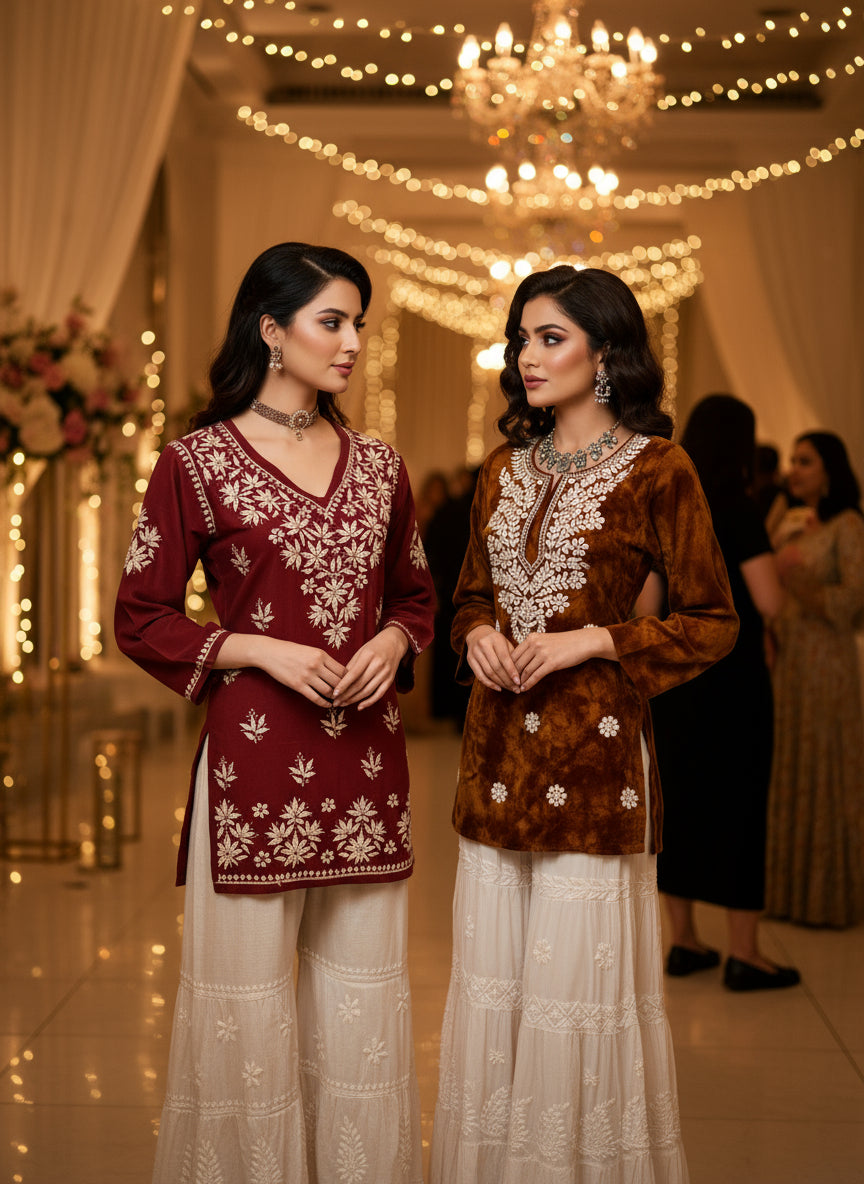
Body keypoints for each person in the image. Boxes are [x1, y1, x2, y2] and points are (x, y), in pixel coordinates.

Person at [114, 242, 435, 1183]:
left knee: (361, 1011)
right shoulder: (197, 462)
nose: (352, 343)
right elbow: (143, 615)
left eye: (358, 324)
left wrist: (391, 643)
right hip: (253, 770)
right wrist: (256, 647)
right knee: (246, 1007)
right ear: (271, 328)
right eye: (332, 321)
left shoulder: (380, 467)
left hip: (367, 768)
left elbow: (416, 595)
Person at [430, 266, 738, 1184]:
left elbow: (713, 622)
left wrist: (594, 640)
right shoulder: (502, 469)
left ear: (605, 353)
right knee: (498, 994)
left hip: (597, 767)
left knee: (572, 995)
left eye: (550, 338)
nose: (527, 356)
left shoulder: (658, 469)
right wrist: (478, 634)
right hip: (494, 763)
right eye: (522, 338)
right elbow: (470, 600)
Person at [643, 395, 799, 991]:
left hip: (679, 679)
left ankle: (683, 942)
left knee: (678, 802)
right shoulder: (738, 505)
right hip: (735, 681)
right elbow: (768, 602)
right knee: (740, 803)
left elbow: (648, 606)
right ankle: (743, 952)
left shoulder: (670, 504)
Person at [765, 431, 864, 927]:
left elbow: (853, 604)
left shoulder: (848, 525)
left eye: (804, 461)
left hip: (828, 663)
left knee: (824, 769)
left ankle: (828, 899)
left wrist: (799, 579)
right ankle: (786, 895)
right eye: (792, 460)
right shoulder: (790, 521)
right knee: (792, 765)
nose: (794, 470)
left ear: (830, 470)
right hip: (791, 660)